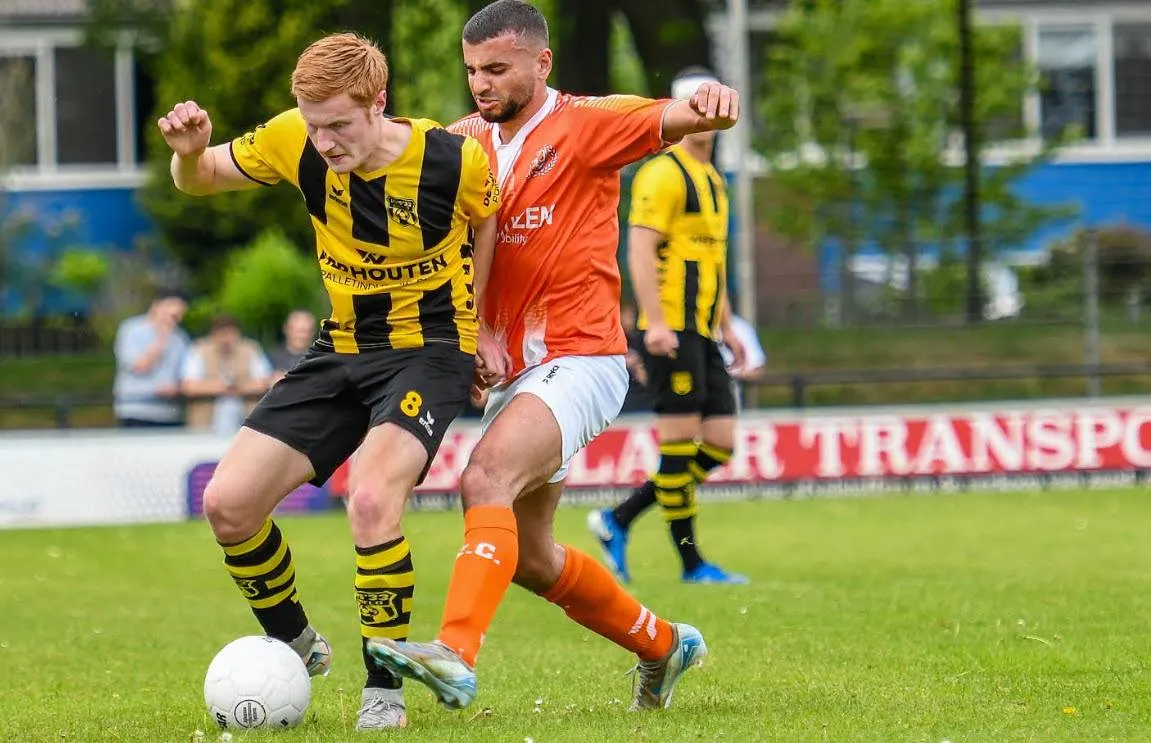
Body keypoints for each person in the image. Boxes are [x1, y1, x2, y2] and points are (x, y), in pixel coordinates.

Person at [364, 0, 738, 713]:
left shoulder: (588, 122)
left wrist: (712, 102)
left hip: (582, 357)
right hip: (515, 374)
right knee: (531, 557)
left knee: (485, 477)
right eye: (472, 70)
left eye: (496, 68)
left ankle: (455, 653)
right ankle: (663, 644)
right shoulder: (460, 142)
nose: (481, 83)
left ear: (542, 62)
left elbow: (676, 116)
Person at [156, 32, 500, 730]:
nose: (325, 142)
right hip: (341, 345)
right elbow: (201, 179)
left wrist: (484, 325)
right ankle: (296, 643)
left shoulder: (452, 159)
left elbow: (486, 223)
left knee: (370, 498)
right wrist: (189, 153)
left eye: (339, 124)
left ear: (379, 102)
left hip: (428, 349)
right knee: (227, 504)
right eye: (315, 126)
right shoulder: (295, 138)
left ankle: (383, 690)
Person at [587, 67, 750, 586]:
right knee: (678, 447)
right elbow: (639, 248)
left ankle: (618, 518)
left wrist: (729, 326)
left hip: (702, 328)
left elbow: (712, 260)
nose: (707, 117)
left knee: (719, 442)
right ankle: (692, 565)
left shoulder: (714, 180)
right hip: (671, 329)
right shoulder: (663, 172)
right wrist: (654, 323)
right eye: (697, 107)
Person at [180, 314, 274, 434]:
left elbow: (265, 383)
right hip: (204, 426)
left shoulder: (251, 349)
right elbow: (188, 386)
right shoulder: (199, 349)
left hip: (247, 424)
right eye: (222, 334)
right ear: (213, 335)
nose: (226, 339)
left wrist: (235, 386)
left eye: (230, 333)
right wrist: (224, 386)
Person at [112, 288, 191, 428]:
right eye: (172, 314)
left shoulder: (181, 339)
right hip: (136, 410)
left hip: (169, 412)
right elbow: (139, 366)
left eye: (179, 315)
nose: (176, 319)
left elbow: (186, 375)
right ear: (156, 306)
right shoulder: (131, 330)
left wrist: (176, 388)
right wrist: (162, 339)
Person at [269, 309, 318, 381]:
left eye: (306, 331)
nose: (302, 336)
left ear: (313, 332)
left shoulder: (321, 359)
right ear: (286, 329)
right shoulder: (270, 358)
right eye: (298, 331)